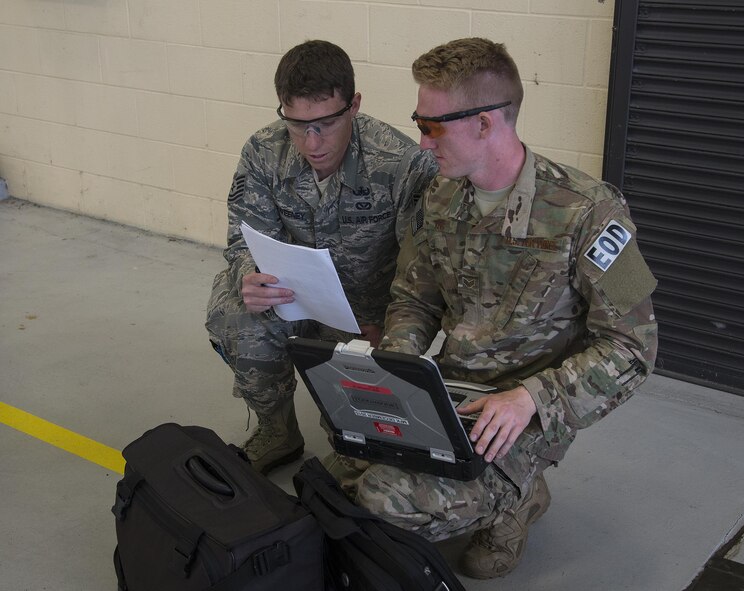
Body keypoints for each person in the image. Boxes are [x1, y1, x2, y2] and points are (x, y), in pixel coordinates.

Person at [324, 38, 659, 579]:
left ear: (484, 123)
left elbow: (635, 348)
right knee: (339, 461)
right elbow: (414, 296)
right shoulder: (440, 195)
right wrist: (397, 368)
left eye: (431, 125)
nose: (421, 139)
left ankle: (520, 494)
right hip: (455, 392)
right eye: (418, 120)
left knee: (382, 500)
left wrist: (532, 398)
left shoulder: (594, 212)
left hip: (527, 414)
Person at [206, 40, 438, 475]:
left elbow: (423, 267)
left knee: (355, 457)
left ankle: (353, 435)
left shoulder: (399, 162)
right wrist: (248, 274)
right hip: (289, 296)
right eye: (296, 124)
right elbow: (243, 236)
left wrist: (389, 325)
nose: (311, 142)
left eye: (325, 124)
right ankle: (278, 430)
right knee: (234, 313)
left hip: (366, 312)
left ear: (353, 106)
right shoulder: (263, 151)